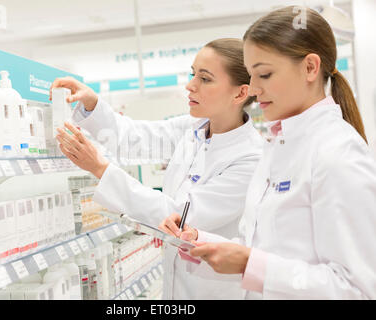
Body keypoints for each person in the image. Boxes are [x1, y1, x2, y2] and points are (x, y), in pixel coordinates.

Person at [165, 6, 376, 299]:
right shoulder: (279, 146)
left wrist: (250, 264)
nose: (252, 89)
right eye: (251, 76)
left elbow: (357, 290)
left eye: (264, 74)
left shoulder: (337, 152)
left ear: (310, 68)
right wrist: (204, 242)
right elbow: (272, 249)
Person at [50, 38, 263, 299]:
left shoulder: (250, 157)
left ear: (240, 93)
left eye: (205, 79)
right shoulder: (193, 127)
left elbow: (179, 218)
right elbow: (133, 137)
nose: (190, 85)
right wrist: (93, 105)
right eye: (192, 74)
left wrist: (100, 169)